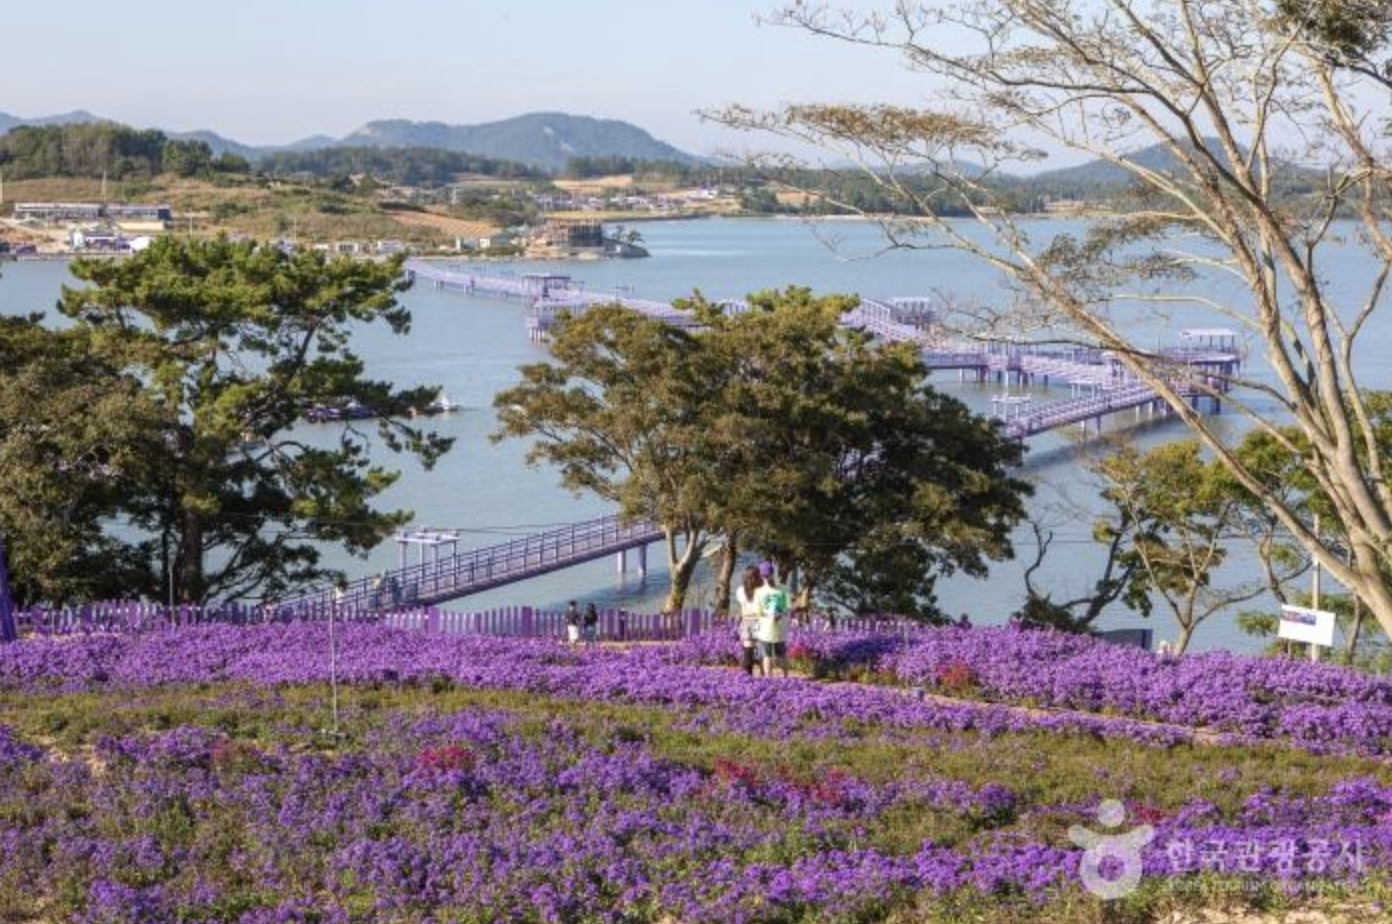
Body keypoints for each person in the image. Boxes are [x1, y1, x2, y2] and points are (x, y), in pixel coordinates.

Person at [753, 561, 791, 678]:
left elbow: (758, 612)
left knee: (767, 656)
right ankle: (786, 678)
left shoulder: (758, 592)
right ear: (773, 573)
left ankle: (768, 679)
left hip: (766, 629)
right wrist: (780, 615)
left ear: (761, 575)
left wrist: (768, 616)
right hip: (781, 628)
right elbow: (788, 608)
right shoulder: (784, 589)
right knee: (782, 654)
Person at [734, 565, 764, 676]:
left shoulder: (740, 590)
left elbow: (742, 607)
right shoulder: (762, 590)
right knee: (763, 651)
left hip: (746, 621)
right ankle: (765, 676)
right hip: (761, 621)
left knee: (748, 650)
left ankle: (747, 677)